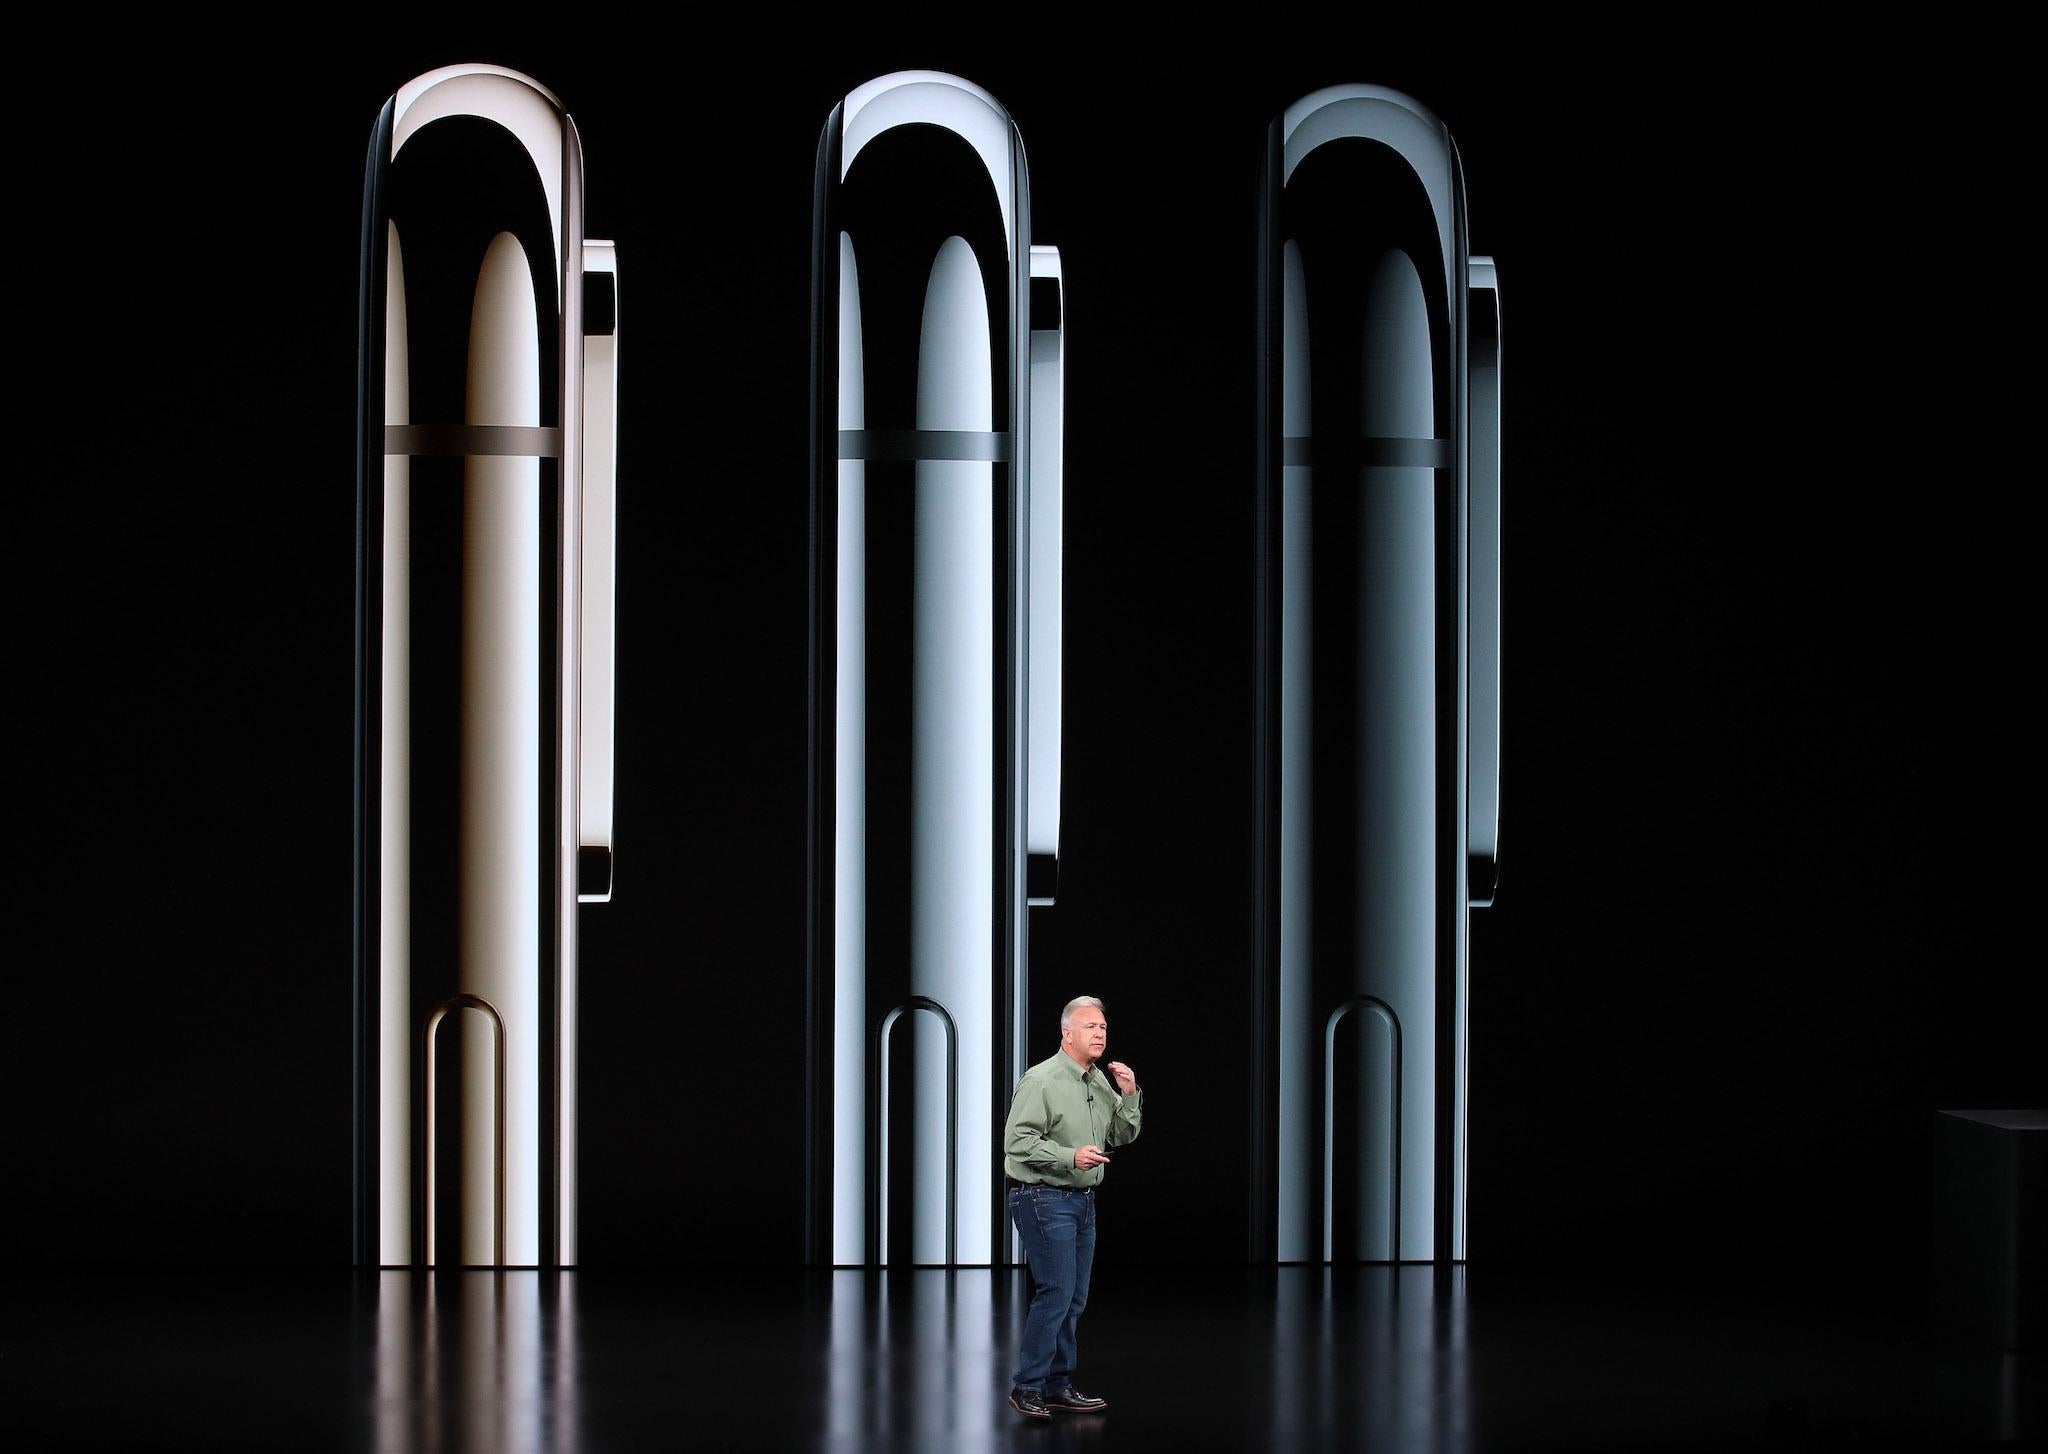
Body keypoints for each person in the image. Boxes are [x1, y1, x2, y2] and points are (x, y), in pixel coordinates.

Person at [1000, 995, 1142, 1419]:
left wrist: (1130, 1094)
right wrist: (1069, 1156)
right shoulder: (1041, 1080)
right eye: (1090, 1027)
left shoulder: (1098, 1081)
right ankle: (1027, 1386)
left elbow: (1120, 1136)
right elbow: (1016, 1142)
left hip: (1081, 1202)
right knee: (1057, 1292)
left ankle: (1059, 1384)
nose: (1099, 1033)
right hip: (1042, 1197)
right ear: (1067, 1034)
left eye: (1102, 1027)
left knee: (1074, 1298)